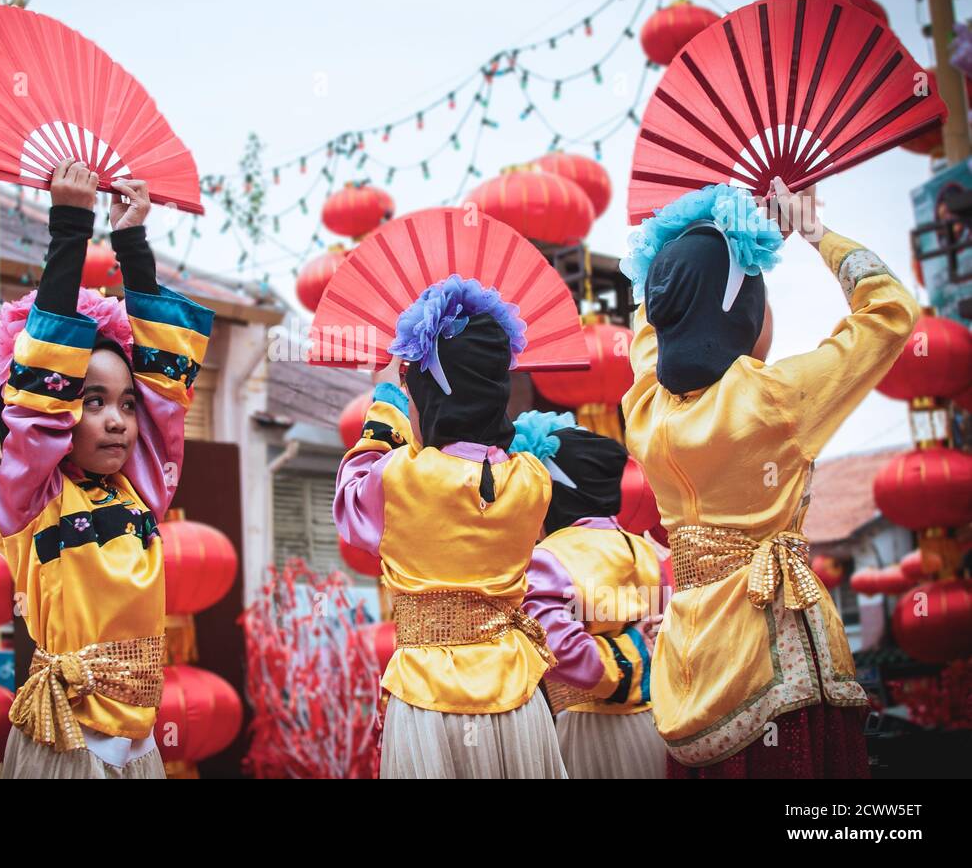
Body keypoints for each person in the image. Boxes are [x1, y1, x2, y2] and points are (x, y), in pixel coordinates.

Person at [620, 177, 920, 777]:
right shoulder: (772, 401)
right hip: (772, 655)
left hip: (691, 659)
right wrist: (814, 232)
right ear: (743, 308)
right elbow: (891, 310)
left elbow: (652, 326)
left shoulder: (644, 410)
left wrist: (690, 251)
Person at [0, 159, 214, 779]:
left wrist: (132, 242)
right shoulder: (29, 495)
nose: (118, 420)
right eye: (91, 401)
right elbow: (34, 405)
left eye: (126, 404)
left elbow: (166, 384)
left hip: (138, 747)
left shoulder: (141, 487)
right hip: (69, 740)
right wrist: (70, 225)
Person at [333, 275, 568, 779]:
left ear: (431, 396)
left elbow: (351, 507)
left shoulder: (401, 475)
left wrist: (385, 406)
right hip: (516, 695)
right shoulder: (532, 479)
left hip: (428, 699)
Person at [521, 418, 668, 778]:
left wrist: (629, 653)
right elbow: (660, 633)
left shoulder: (547, 557)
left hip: (591, 729)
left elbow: (558, 649)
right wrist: (641, 651)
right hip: (654, 724)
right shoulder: (642, 549)